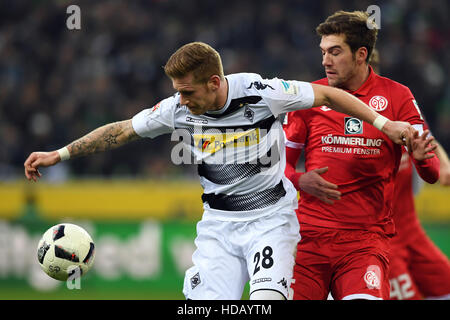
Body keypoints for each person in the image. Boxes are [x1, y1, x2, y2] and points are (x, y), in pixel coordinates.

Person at [25, 41, 413, 300]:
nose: (181, 100)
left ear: (214, 82)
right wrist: (59, 154)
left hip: (270, 224)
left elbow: (329, 94)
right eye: (177, 91)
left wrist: (383, 124)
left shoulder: (261, 92)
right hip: (218, 230)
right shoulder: (177, 109)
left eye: (188, 91)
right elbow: (123, 130)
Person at [283, 11, 440, 300]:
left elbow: (432, 173)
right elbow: (279, 167)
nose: (325, 61)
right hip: (308, 241)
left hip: (365, 243)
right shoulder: (309, 97)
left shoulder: (398, 97)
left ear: (361, 54)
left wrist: (419, 157)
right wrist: (300, 179)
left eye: (335, 52)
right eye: (323, 52)